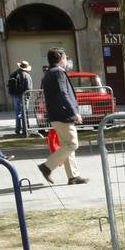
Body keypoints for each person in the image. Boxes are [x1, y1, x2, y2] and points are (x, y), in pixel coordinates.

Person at [37, 46, 88, 185]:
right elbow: (63, 93)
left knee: (67, 145)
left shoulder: (49, 73)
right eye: (66, 58)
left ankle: (73, 176)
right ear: (60, 58)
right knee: (72, 144)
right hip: (63, 115)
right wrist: (74, 112)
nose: (67, 61)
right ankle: (47, 167)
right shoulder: (58, 72)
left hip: (56, 115)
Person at [7, 61, 32, 137]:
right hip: (23, 96)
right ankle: (25, 129)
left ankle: (18, 129)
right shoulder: (26, 75)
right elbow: (29, 88)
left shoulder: (14, 74)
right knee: (24, 113)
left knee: (17, 113)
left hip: (15, 96)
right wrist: (28, 97)